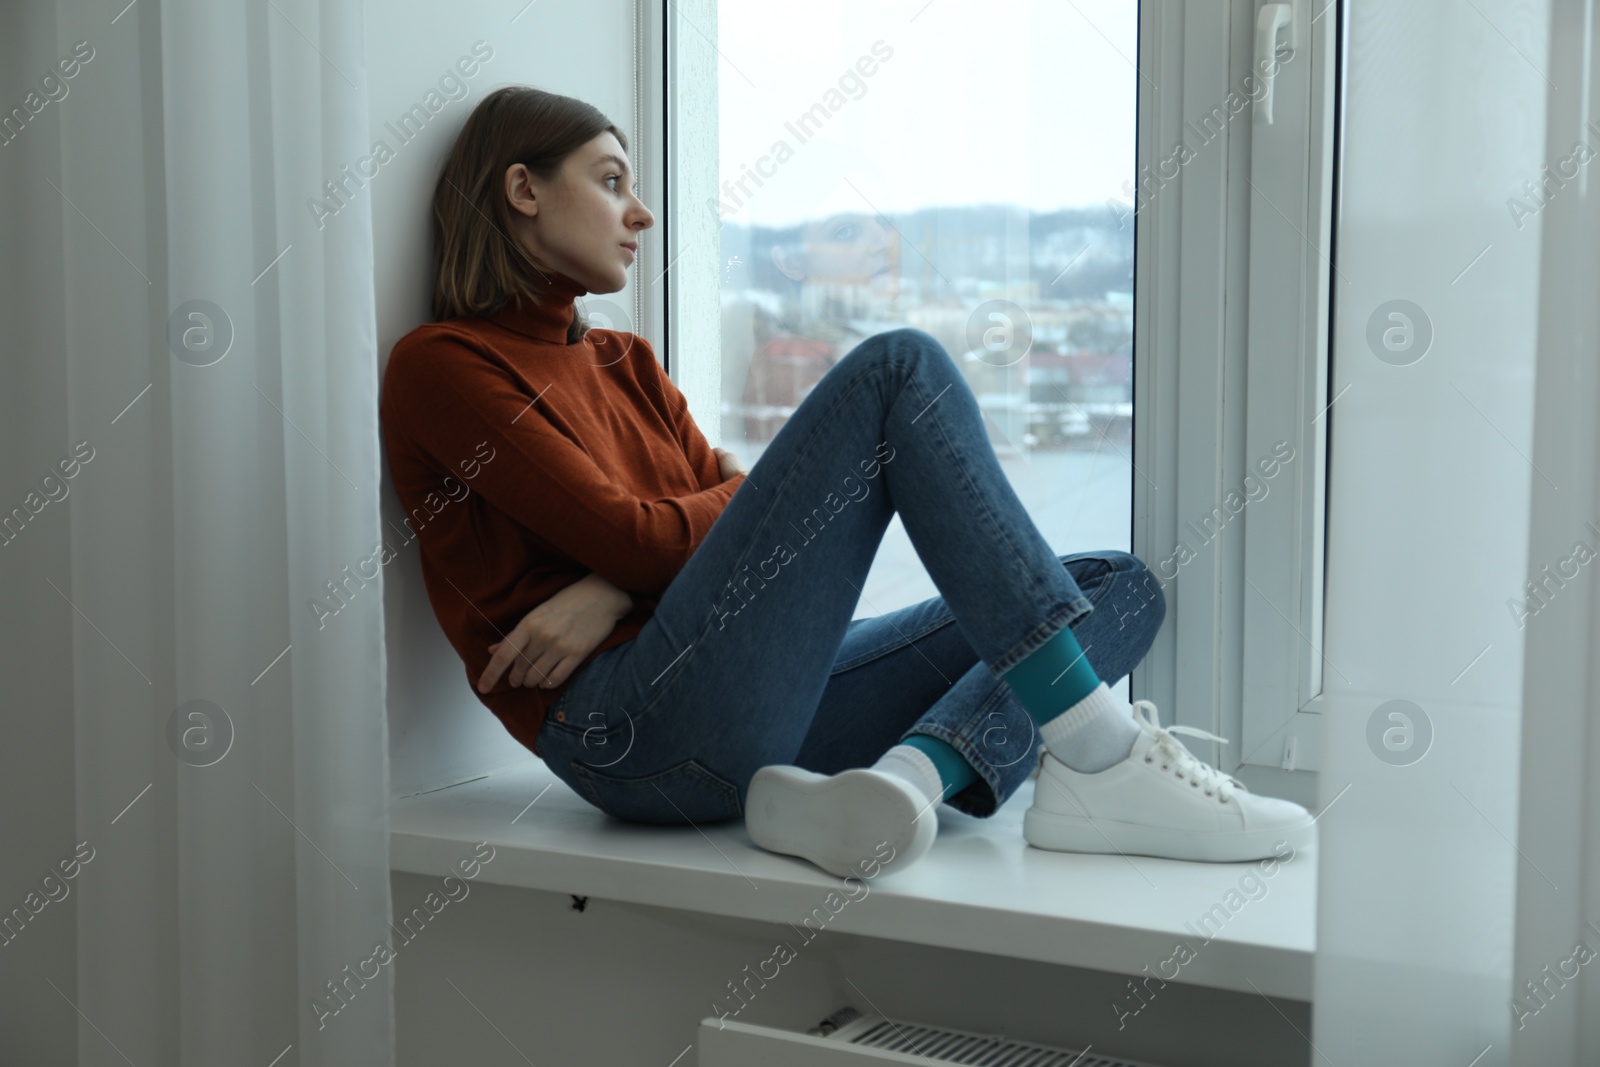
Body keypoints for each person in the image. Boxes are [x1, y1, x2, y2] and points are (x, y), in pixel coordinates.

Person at [379, 86, 1315, 881]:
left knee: (1116, 584)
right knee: (899, 370)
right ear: (522, 190)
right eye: (612, 181)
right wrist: (635, 567)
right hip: (629, 728)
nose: (643, 213)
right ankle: (1104, 759)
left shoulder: (624, 359)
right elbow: (655, 532)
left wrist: (626, 578)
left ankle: (902, 788)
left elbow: (707, 510)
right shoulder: (444, 366)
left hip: (753, 702)